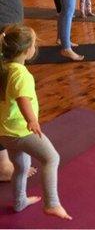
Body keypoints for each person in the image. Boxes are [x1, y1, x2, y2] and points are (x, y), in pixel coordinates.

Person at [0, 24, 72, 220]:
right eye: (34, 44)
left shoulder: (4, 68)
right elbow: (23, 99)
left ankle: (19, 201)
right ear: (26, 51)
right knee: (51, 158)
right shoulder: (20, 73)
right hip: (21, 132)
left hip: (5, 133)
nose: (35, 47)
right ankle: (52, 203)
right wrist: (32, 121)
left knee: (21, 167)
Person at [0, 0, 37, 182]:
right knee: (6, 95)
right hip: (2, 34)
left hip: (8, 32)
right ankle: (4, 164)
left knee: (7, 93)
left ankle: (4, 161)